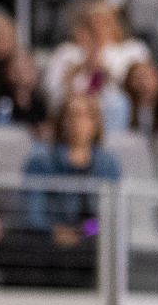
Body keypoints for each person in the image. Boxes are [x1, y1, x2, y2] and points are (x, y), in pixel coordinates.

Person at [16, 94, 121, 288]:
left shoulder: (108, 164)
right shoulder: (40, 161)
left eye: (84, 115)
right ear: (61, 122)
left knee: (105, 248)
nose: (77, 122)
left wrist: (83, 232)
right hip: (49, 237)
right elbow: (33, 212)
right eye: (71, 115)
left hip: (90, 239)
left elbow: (110, 216)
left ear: (95, 124)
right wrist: (54, 231)